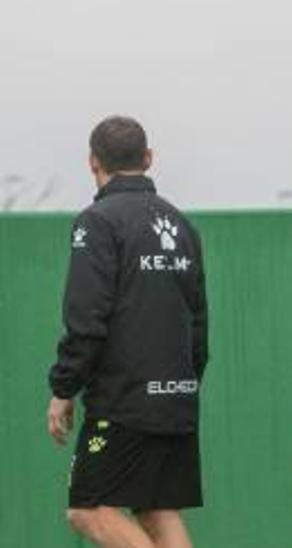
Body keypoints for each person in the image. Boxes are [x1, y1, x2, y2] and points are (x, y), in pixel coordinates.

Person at [47, 115, 208, 548]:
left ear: (92, 162)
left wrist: (63, 389)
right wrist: (182, 385)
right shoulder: (182, 225)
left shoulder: (96, 222)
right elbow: (198, 326)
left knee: (88, 508)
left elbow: (86, 319)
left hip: (124, 402)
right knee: (156, 509)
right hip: (176, 397)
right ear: (148, 159)